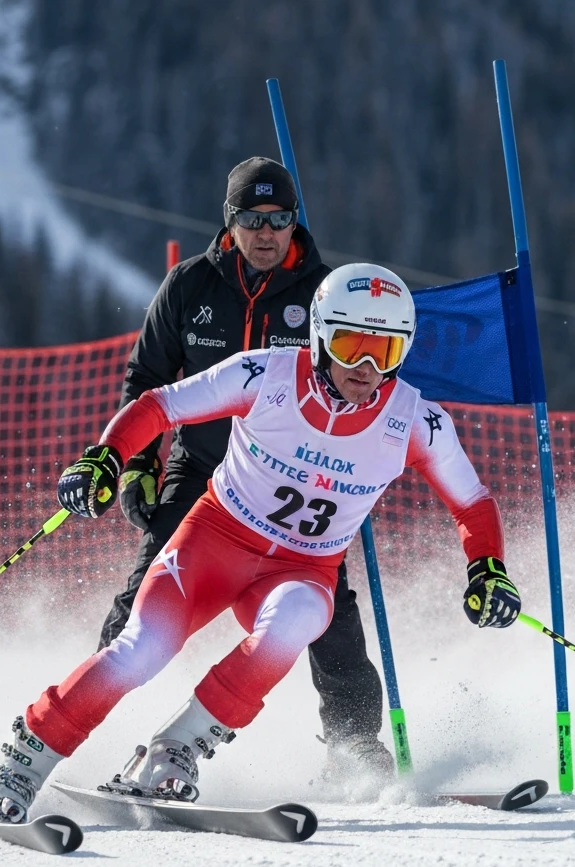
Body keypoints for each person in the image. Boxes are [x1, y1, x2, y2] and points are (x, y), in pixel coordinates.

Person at [0, 263, 521, 823]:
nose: (365, 366)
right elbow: (161, 405)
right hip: (215, 544)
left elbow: (471, 502)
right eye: (352, 344)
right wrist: (108, 455)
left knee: (299, 620)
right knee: (144, 649)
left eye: (385, 350)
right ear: (322, 336)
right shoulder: (267, 376)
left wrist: (487, 570)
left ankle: (175, 749)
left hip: (302, 569)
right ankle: (20, 764)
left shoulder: (415, 421)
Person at [99, 155, 394, 777]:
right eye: (253, 220)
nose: (268, 233)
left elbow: (369, 379)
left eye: (281, 219)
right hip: (201, 465)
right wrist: (135, 467)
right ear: (229, 222)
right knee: (146, 590)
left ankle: (357, 745)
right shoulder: (188, 286)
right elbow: (147, 379)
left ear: (295, 223)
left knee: (328, 610)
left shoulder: (324, 296)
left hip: (287, 485)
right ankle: (95, 722)